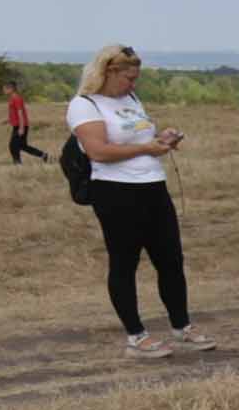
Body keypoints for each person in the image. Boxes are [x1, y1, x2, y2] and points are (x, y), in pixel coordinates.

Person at [67, 45, 214, 361]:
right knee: (124, 262)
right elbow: (98, 151)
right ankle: (136, 336)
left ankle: (182, 326)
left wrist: (163, 138)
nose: (133, 85)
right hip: (114, 191)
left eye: (136, 79)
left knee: (171, 260)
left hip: (152, 185)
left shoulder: (131, 100)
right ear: (108, 72)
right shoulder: (84, 105)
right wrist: (148, 149)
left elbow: (137, 137)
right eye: (128, 78)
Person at [5, 81, 48, 164]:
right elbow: (14, 113)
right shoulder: (12, 99)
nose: (3, 90)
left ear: (11, 89)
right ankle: (43, 155)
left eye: (5, 88)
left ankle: (17, 163)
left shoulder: (17, 98)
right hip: (18, 125)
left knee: (13, 145)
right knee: (23, 146)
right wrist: (8, 120)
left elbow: (20, 113)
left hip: (21, 126)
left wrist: (21, 128)